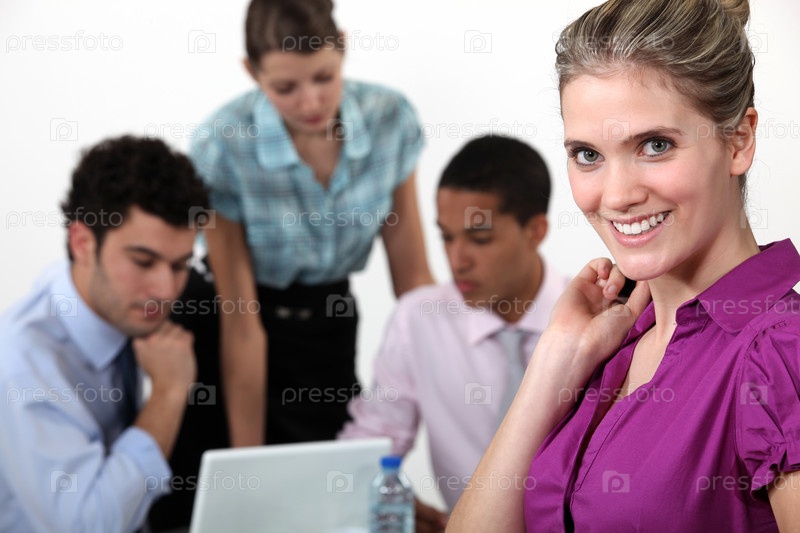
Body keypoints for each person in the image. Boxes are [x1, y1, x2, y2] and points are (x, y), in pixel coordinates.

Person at [448, 0, 800, 531]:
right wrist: (556, 359)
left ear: (739, 141)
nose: (616, 196)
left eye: (655, 145)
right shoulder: (615, 343)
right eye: (588, 155)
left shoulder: (782, 353)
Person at [148, 0, 432, 528]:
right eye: (285, 88)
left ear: (342, 48)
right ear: (251, 72)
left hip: (328, 324)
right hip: (234, 326)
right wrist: (250, 479)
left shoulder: (390, 119)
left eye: (324, 77)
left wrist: (455, 386)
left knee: (333, 502)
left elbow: (413, 280)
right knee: (226, 508)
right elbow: (241, 321)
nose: (311, 101)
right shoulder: (223, 144)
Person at [339, 135, 570, 532]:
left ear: (536, 230)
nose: (456, 260)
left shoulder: (599, 321)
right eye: (446, 237)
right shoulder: (419, 320)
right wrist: (382, 496)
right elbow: (373, 441)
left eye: (479, 239)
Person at [0, 136, 208, 532]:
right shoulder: (21, 364)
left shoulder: (108, 300)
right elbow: (88, 526)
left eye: (180, 265)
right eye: (143, 262)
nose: (166, 290)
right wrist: (168, 393)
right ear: (82, 243)